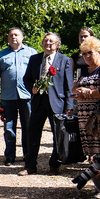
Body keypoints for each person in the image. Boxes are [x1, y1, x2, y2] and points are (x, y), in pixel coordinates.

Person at [23, 32, 75, 175]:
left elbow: (69, 85)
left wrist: (69, 106)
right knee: (33, 133)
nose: (48, 44)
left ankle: (54, 165)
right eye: (46, 41)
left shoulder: (64, 60)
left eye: (51, 42)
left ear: (57, 45)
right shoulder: (34, 59)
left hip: (57, 102)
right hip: (38, 101)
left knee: (58, 134)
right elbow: (26, 79)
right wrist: (32, 88)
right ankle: (30, 165)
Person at [0, 27, 38, 166]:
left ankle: (28, 154)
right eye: (11, 35)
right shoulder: (1, 55)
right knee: (9, 128)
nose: (13, 37)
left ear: (22, 37)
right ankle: (10, 156)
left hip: (27, 96)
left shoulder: (31, 53)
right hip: (8, 97)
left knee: (28, 126)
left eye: (16, 35)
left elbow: (38, 73)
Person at [73, 37, 100, 160]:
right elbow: (74, 88)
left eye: (90, 52)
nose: (87, 56)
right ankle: (93, 164)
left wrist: (90, 93)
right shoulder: (84, 71)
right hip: (84, 115)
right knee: (89, 145)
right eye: (84, 54)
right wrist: (79, 93)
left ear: (99, 52)